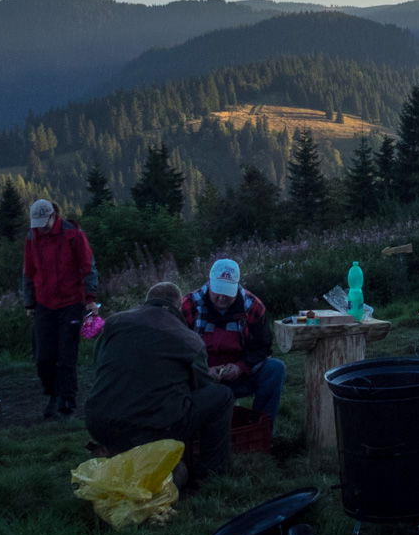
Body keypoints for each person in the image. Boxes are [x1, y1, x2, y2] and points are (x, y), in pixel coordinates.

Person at [85, 282, 232, 480]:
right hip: (148, 430)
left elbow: (100, 365)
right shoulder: (190, 339)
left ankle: (118, 452)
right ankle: (211, 473)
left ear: (146, 302)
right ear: (178, 307)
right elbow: (201, 385)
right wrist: (208, 375)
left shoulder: (114, 322)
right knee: (222, 397)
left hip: (98, 424)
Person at [182, 258, 285, 428]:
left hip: (237, 375)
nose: (222, 297)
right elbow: (177, 350)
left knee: (275, 368)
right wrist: (203, 371)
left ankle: (262, 429)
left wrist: (240, 367)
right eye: (217, 291)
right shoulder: (188, 305)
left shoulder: (253, 306)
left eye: (227, 292)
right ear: (209, 283)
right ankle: (189, 428)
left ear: (237, 286)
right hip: (200, 378)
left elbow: (264, 347)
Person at [21, 199, 99, 420]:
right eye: (37, 223)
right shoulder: (32, 237)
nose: (41, 227)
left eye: (44, 222)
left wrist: (90, 298)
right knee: (43, 356)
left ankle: (67, 402)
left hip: (71, 302)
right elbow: (28, 270)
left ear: (53, 215)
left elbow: (88, 266)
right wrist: (30, 302)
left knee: (66, 356)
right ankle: (52, 395)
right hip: (44, 303)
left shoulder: (73, 234)